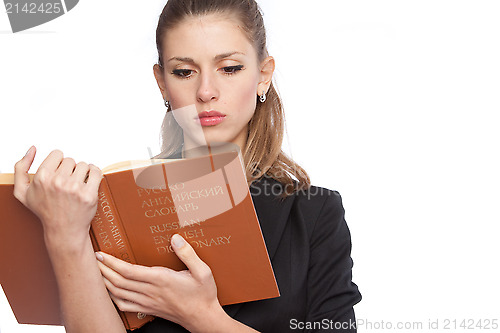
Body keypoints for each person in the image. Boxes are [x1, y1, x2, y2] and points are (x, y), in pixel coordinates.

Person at [13, 0, 361, 331]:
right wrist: (66, 237)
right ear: (162, 82)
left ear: (263, 75)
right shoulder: (110, 208)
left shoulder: (315, 216)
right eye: (183, 72)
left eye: (230, 68)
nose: (206, 91)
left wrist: (200, 316)